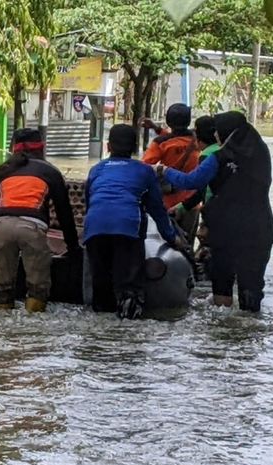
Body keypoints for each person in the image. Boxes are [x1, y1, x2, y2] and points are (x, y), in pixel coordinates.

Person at [158, 111, 273, 313]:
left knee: (222, 285)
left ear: (224, 134)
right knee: (251, 287)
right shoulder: (262, 155)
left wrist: (164, 171)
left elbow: (192, 182)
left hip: (226, 231)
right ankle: (250, 329)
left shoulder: (218, 158)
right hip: (260, 230)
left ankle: (223, 334)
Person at [84, 124, 182, 319]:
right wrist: (172, 237)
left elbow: (90, 203)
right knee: (129, 286)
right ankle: (127, 332)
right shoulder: (144, 171)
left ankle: (97, 339)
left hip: (95, 227)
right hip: (128, 228)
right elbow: (157, 209)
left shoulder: (96, 170)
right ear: (136, 147)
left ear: (108, 146)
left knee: (101, 283)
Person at [0, 128, 80, 313]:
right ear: (41, 147)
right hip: (32, 228)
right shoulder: (50, 172)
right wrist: (73, 248)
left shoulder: (2, 171)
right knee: (37, 288)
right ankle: (32, 326)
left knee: (2, 287)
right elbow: (65, 214)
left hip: (1, 227)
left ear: (13, 148)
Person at [141, 104, 201, 240]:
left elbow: (143, 167)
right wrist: (156, 128)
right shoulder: (197, 140)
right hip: (191, 203)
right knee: (187, 246)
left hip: (166, 203)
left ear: (168, 121)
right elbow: (176, 138)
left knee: (165, 244)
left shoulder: (161, 143)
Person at [169, 115, 220, 250]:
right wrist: (183, 207)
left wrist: (163, 171)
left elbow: (197, 185)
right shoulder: (224, 150)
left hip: (213, 212)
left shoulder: (208, 155)